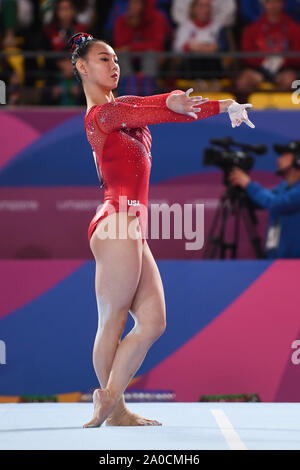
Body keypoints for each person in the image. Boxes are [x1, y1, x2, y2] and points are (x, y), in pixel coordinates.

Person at [69, 32, 254, 428]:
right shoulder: (99, 115)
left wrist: (225, 105)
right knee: (113, 319)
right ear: (82, 67)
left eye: (116, 58)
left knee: (153, 320)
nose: (114, 64)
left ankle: (110, 397)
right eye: (104, 59)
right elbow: (145, 107)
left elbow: (170, 112)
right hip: (115, 221)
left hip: (132, 226)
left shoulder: (127, 115)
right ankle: (114, 407)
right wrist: (167, 99)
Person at [229, 141, 300, 258]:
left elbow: (276, 203)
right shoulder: (283, 187)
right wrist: (241, 191)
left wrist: (248, 184)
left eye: (284, 155)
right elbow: (264, 200)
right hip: (276, 261)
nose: (278, 160)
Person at [236, 0, 300, 96]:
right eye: (269, 2)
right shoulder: (252, 29)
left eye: (277, 2)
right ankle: (248, 110)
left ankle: (281, 110)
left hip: (285, 68)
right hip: (259, 68)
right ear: (263, 4)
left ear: (283, 4)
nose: (273, 5)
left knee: (289, 81)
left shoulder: (294, 28)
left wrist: (282, 60)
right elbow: (247, 54)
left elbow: (297, 53)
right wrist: (263, 62)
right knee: (243, 82)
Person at [173, 0, 224, 80]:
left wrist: (211, 48)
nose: (205, 10)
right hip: (191, 66)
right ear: (193, 9)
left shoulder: (218, 27)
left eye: (208, 6)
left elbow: (223, 47)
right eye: (201, 6)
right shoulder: (185, 27)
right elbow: (177, 48)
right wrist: (189, 46)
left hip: (212, 65)